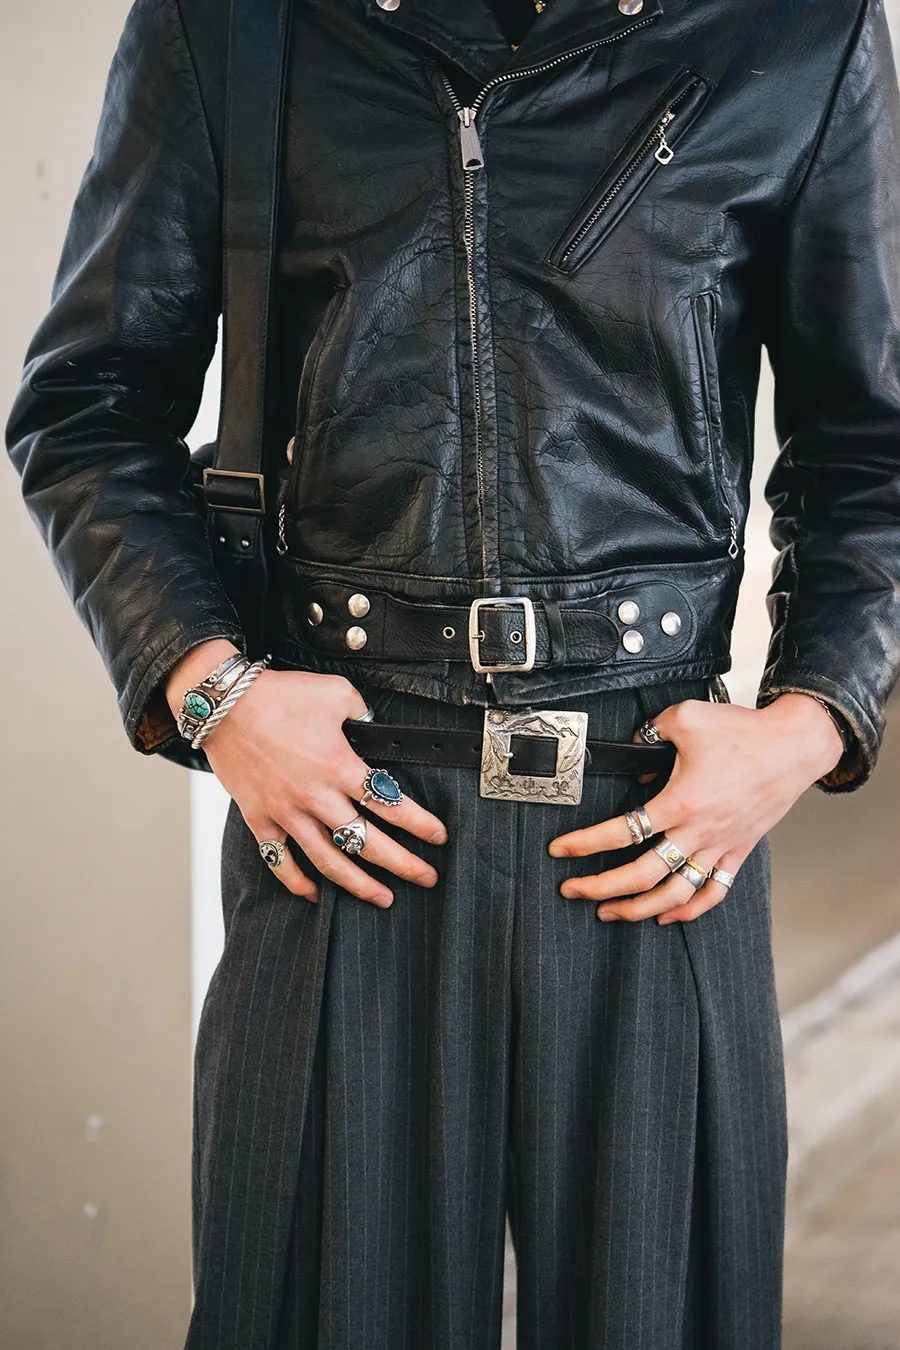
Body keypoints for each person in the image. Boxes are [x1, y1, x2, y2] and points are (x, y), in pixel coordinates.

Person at [6, 0, 900, 1344]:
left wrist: (810, 723)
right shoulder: (229, 26)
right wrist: (211, 690)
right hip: (347, 805)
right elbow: (88, 408)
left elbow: (874, 449)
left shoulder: (796, 30)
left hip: (658, 805)